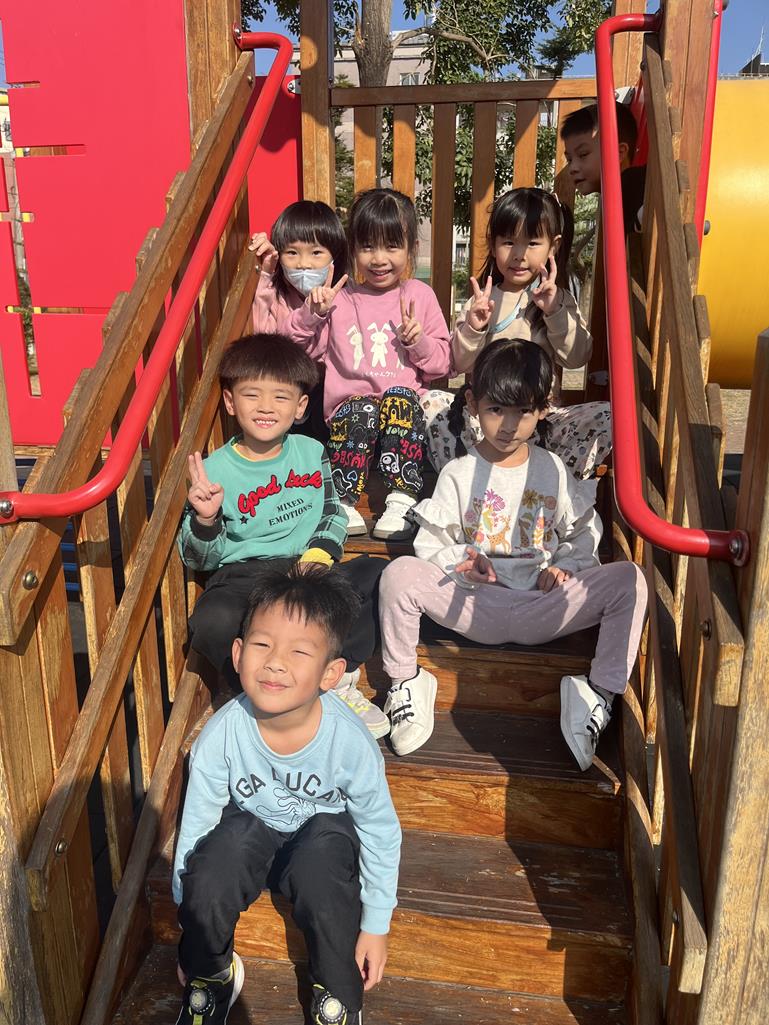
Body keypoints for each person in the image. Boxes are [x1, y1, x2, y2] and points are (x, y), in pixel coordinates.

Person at [379, 339, 647, 770]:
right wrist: (461, 562)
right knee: (398, 575)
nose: (508, 425)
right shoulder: (458, 472)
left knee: (630, 580)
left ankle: (596, 693)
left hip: (542, 605)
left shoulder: (552, 469)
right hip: (473, 604)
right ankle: (405, 680)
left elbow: (582, 533)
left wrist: (565, 567)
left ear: (543, 408)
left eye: (523, 411)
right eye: (495, 409)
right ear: (473, 404)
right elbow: (429, 544)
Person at [173, 566, 402, 1025]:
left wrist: (376, 925)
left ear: (330, 673)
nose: (275, 663)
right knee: (217, 854)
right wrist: (190, 923)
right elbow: (197, 823)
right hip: (253, 836)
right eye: (262, 645)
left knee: (322, 863)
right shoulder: (220, 735)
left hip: (321, 845)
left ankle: (337, 995)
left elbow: (380, 831)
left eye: (299, 651)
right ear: (238, 654)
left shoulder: (350, 743)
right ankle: (213, 976)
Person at [178, 332, 390, 739]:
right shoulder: (214, 470)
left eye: (280, 397)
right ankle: (253, 692)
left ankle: (337, 678)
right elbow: (199, 558)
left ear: (300, 406)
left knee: (377, 575)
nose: (265, 407)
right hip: (244, 574)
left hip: (307, 564)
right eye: (251, 395)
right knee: (213, 619)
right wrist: (206, 519)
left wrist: (319, 556)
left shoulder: (311, 452)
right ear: (230, 402)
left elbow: (331, 512)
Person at [283, 188, 451, 542]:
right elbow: (298, 351)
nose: (379, 259)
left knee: (401, 398)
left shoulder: (419, 296)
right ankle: (344, 499)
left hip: (402, 419)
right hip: (350, 417)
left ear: (411, 249)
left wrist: (418, 342)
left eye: (391, 246)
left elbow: (441, 365)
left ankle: (402, 499)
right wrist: (312, 314)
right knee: (360, 407)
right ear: (353, 248)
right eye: (368, 246)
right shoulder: (339, 300)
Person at [422, 187, 612, 480]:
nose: (519, 255)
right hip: (486, 419)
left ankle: (546, 480)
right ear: (493, 244)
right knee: (432, 402)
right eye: (509, 242)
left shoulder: (558, 300)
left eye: (533, 243)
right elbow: (458, 363)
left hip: (537, 421)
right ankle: (467, 479)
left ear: (553, 247)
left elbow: (577, 357)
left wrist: (554, 312)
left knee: (609, 416)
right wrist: (475, 327)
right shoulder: (481, 301)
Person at [249, 200, 348, 333]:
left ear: (335, 255)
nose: (303, 264)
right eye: (292, 253)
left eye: (316, 253)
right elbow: (260, 334)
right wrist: (266, 272)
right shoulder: (278, 299)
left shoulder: (346, 300)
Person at [560, 100, 646, 234]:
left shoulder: (632, 183)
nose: (572, 168)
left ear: (618, 153)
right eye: (569, 159)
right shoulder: (615, 194)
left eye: (583, 154)